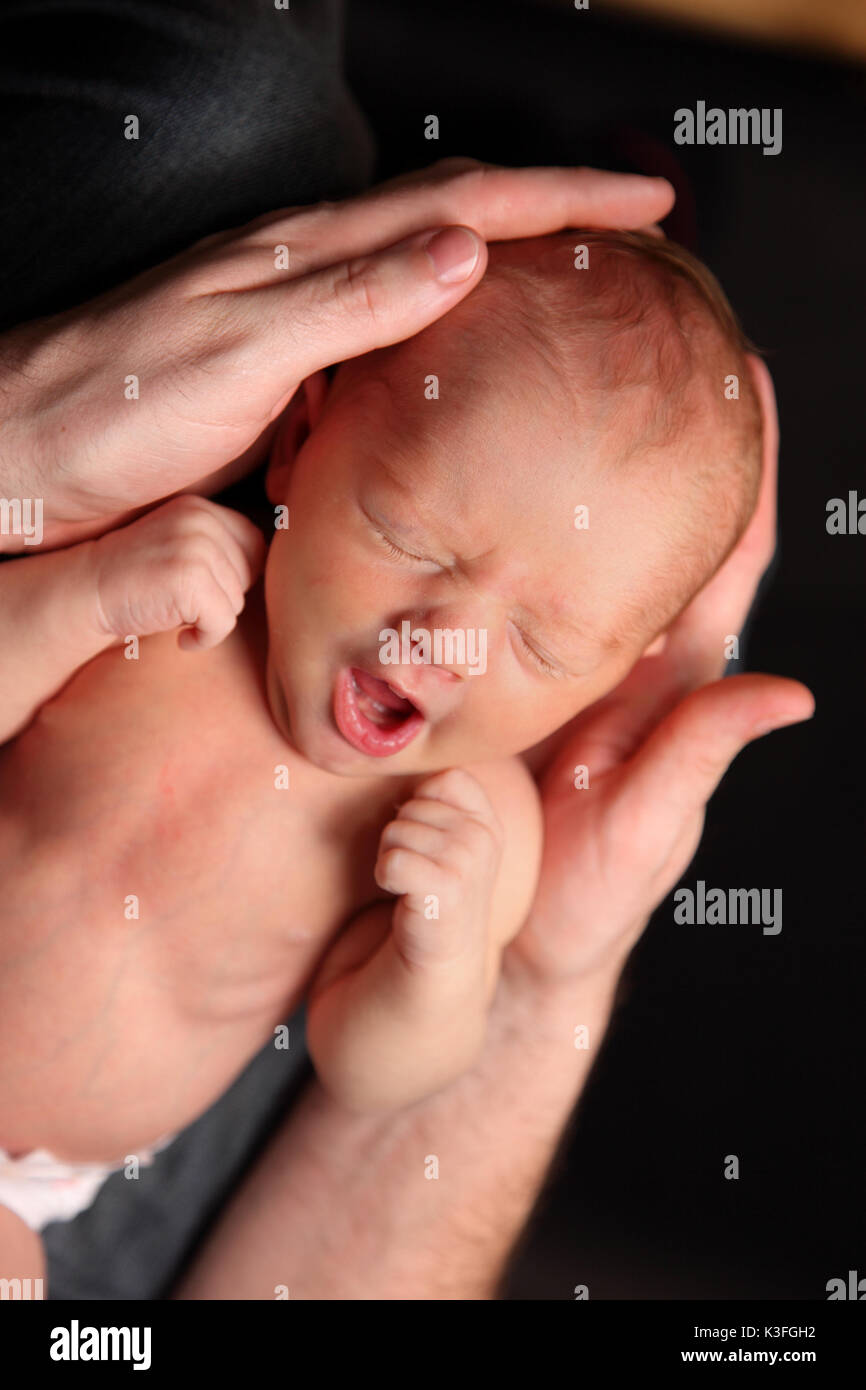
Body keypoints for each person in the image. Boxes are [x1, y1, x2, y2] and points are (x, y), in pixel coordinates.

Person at [0, 175, 812, 1292]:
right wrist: (77, 599)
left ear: (612, 677)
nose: (449, 644)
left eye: (540, 645)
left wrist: (434, 962)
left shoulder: (477, 821)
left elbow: (368, 1064)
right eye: (411, 538)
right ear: (299, 440)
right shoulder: (178, 579)